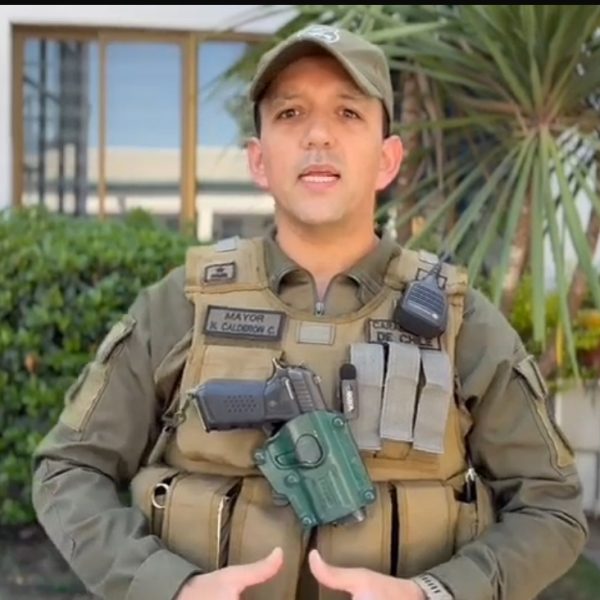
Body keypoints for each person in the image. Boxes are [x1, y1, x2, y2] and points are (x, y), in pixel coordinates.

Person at [32, 24, 588, 600]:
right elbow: (68, 470)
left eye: (348, 113)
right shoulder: (183, 304)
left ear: (388, 160)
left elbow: (552, 506)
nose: (319, 134)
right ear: (258, 160)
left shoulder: (458, 319)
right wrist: (170, 588)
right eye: (290, 113)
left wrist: (435, 593)